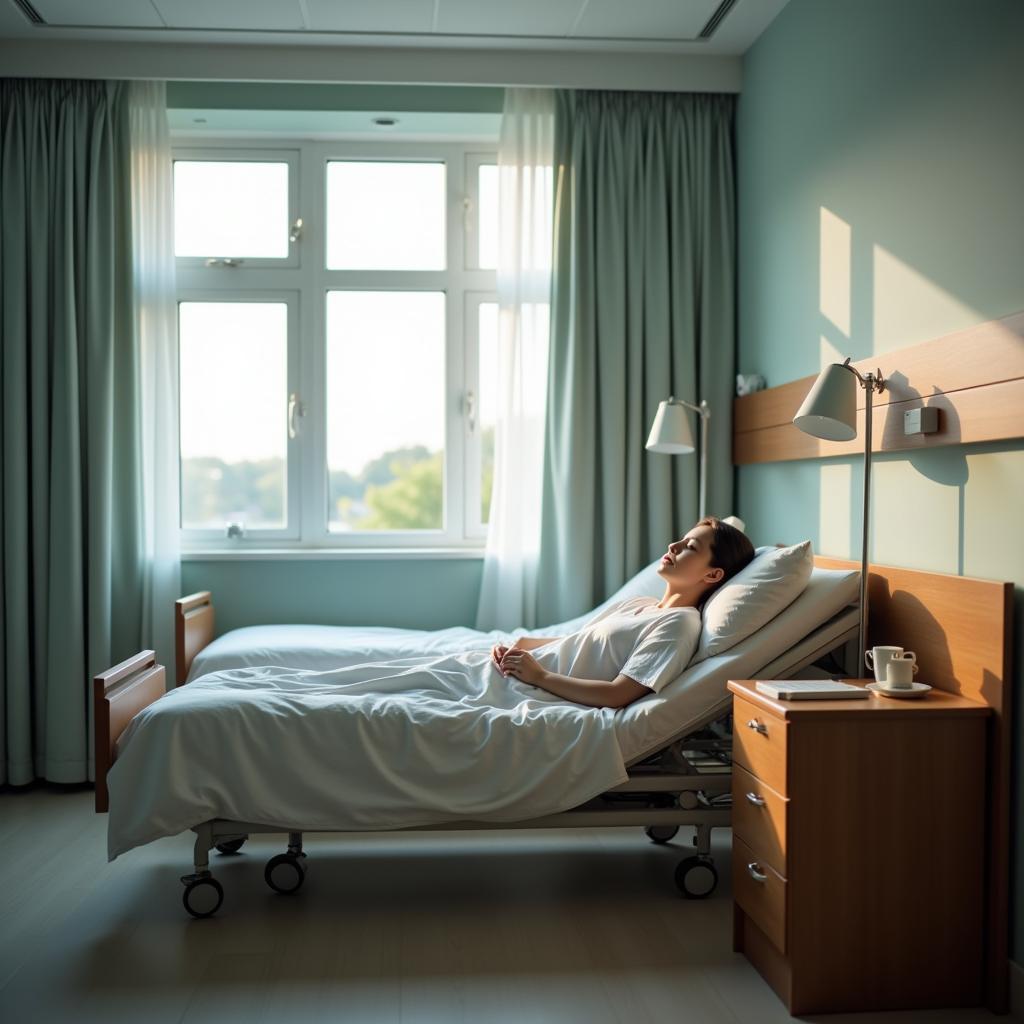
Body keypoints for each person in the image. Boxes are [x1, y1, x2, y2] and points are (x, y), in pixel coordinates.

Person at [491, 516, 755, 709]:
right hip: (512, 673)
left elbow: (617, 694)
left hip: (530, 690)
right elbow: (579, 642)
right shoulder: (641, 604)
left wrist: (540, 676)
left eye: (691, 546)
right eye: (682, 539)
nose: (674, 545)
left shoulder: (679, 624)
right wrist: (523, 646)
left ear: (713, 574)